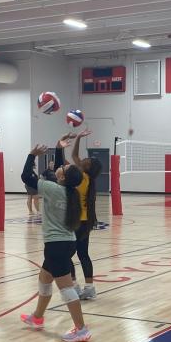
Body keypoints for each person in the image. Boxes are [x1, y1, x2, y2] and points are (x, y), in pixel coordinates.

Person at [19, 136, 91, 342]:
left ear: (62, 178)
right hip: (65, 244)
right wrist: (59, 149)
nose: (63, 167)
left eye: (65, 168)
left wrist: (32, 155)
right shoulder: (71, 192)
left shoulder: (53, 189)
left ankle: (81, 329)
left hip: (56, 247)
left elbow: (26, 177)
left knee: (67, 289)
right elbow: (61, 171)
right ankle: (38, 317)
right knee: (44, 281)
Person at [68, 128, 103, 300]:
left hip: (74, 222)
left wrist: (79, 139)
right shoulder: (89, 179)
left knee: (67, 255)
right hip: (85, 222)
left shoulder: (80, 177)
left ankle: (74, 286)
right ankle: (89, 288)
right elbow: (75, 156)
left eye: (87, 160)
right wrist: (79, 138)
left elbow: (74, 156)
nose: (84, 159)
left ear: (87, 166)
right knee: (83, 255)